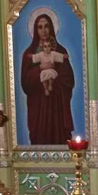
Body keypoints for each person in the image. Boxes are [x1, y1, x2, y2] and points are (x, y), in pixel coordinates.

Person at [20, 13, 75, 144]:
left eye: (46, 26)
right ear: (35, 30)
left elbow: (68, 79)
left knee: (58, 137)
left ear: (51, 28)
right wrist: (40, 69)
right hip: (38, 105)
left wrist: (54, 75)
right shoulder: (30, 53)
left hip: (57, 104)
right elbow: (25, 82)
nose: (43, 30)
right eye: (40, 27)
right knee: (40, 138)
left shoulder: (60, 50)